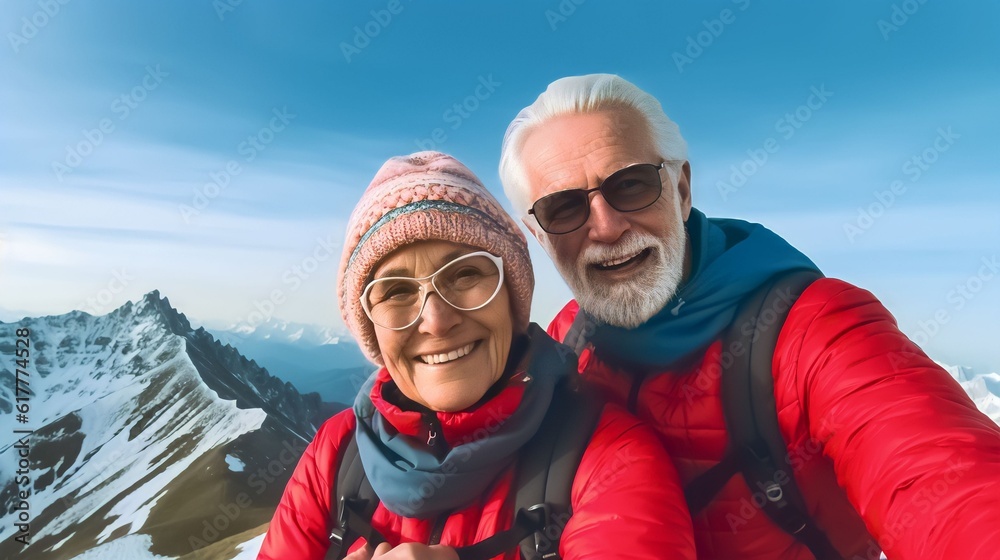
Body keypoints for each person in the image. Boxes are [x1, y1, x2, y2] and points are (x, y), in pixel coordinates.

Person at [497, 74, 1000, 560]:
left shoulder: (813, 330)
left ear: (682, 189)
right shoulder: (567, 346)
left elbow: (943, 477)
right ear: (540, 236)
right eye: (564, 209)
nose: (605, 228)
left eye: (630, 185)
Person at [258, 151, 696, 560]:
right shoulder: (335, 454)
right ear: (370, 327)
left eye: (466, 273)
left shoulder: (609, 458)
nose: (436, 320)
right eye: (394, 292)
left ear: (512, 297)